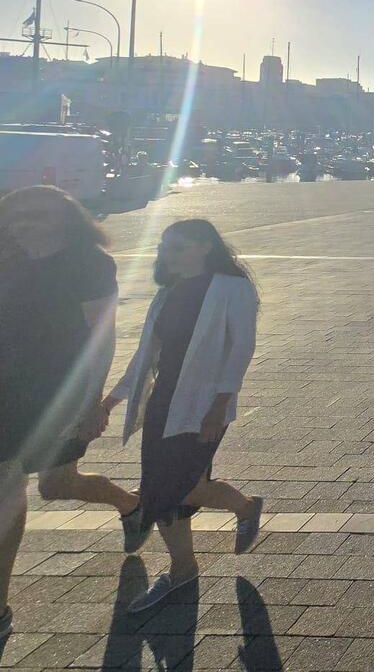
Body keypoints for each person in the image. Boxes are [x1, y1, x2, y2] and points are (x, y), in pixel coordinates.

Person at [0, 187, 141, 643]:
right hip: (5, 392)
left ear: (65, 218)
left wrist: (91, 402)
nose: (25, 223)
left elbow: (102, 338)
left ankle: (130, 503)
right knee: (8, 485)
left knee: (55, 486)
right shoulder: (8, 259)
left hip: (58, 393)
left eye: (38, 215)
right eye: (16, 215)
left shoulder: (88, 264)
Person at [106, 220, 263, 613]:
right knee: (161, 487)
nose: (167, 255)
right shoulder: (169, 291)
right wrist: (111, 401)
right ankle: (183, 569)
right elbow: (146, 355)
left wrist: (220, 404)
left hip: (204, 403)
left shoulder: (232, 288)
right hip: (164, 401)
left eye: (177, 247)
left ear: (205, 246)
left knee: (180, 487)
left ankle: (244, 507)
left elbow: (241, 348)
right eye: (164, 247)